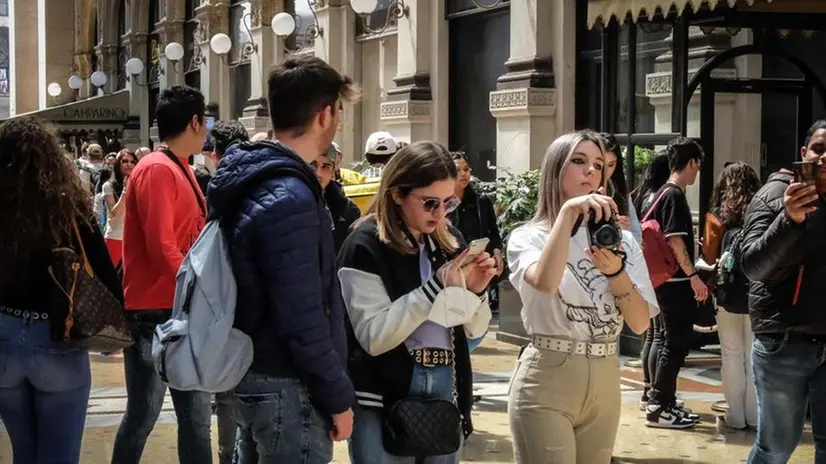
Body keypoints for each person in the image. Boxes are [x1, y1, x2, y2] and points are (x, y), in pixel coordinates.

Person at [207, 54, 357, 463]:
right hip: (287, 385)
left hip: (253, 374)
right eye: (338, 110)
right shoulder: (290, 194)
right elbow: (301, 313)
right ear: (325, 114)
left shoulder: (255, 179)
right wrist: (338, 396)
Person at [338, 141, 495, 463]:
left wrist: (474, 293)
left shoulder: (449, 242)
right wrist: (435, 288)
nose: (440, 214)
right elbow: (374, 337)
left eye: (448, 203)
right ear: (397, 193)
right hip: (380, 394)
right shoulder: (365, 243)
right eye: (429, 203)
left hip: (445, 384)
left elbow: (473, 336)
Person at [506, 130, 657, 463]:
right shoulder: (526, 237)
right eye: (579, 161)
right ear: (556, 169)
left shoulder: (620, 241)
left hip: (605, 375)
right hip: (547, 375)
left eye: (599, 165)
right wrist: (567, 214)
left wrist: (616, 274)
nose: (591, 171)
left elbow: (640, 321)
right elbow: (545, 282)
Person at [0, 116, 123, 463]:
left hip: (4, 336)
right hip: (58, 339)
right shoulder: (69, 208)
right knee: (59, 456)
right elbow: (107, 279)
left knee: (24, 453)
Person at [111, 86, 212, 464]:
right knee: (145, 415)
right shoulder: (156, 168)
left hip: (175, 308)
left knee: (194, 419)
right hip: (156, 311)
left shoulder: (178, 166)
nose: (207, 131)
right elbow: (162, 244)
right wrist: (200, 288)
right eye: (206, 121)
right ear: (195, 121)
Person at [742, 120, 826, 463]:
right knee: (776, 448)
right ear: (804, 153)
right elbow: (753, 265)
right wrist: (790, 219)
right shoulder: (776, 195)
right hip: (785, 344)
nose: (824, 158)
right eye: (819, 149)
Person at [642, 137, 706, 429]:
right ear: (691, 163)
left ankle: (664, 400)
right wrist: (694, 277)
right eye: (698, 166)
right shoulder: (674, 195)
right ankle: (659, 403)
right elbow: (676, 240)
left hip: (665, 280)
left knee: (672, 341)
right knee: (675, 342)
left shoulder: (662, 193)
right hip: (674, 281)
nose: (697, 172)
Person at [202, 118, 252, 464]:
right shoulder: (270, 178)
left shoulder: (217, 188)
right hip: (257, 310)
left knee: (225, 394)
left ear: (215, 154)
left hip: (223, 304)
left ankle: (227, 456)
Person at [706, 162, 761, 431]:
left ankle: (735, 416)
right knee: (753, 355)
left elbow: (707, 257)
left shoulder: (718, 218)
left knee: (730, 355)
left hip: (727, 294)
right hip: (756, 294)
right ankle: (754, 416)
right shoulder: (761, 215)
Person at [449, 150, 503, 352]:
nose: (463, 174)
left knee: (476, 316)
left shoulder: (481, 201)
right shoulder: (441, 202)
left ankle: (463, 352)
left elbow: (494, 232)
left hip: (479, 266)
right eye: (457, 170)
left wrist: (497, 252)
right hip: (452, 267)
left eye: (466, 169)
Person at [631, 150, 671, 411]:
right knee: (659, 334)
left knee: (651, 332)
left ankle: (648, 389)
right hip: (660, 271)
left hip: (644, 270)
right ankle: (655, 390)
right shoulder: (662, 196)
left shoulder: (640, 195)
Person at [311, 141, 362, 252]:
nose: (318, 173)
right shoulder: (290, 204)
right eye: (313, 165)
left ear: (333, 171)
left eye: (326, 167)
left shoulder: (347, 209)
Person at [600, 134, 642, 242]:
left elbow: (637, 237)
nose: (605, 172)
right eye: (599, 164)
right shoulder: (578, 191)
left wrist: (622, 233)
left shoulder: (621, 194)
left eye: (611, 165)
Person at [103, 149, 138, 267]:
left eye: (133, 162)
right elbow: (115, 213)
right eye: (125, 161)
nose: (129, 164)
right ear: (118, 164)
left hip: (134, 239)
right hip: (115, 238)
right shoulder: (108, 186)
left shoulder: (139, 184)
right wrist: (125, 191)